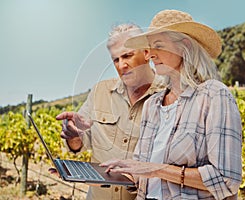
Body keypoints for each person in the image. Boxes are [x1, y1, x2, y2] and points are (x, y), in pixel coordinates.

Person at [101, 9, 242, 200]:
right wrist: (105, 174)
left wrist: (157, 169)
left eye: (158, 45)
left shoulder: (214, 95)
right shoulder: (153, 105)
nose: (150, 55)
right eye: (149, 47)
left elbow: (226, 179)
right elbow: (142, 170)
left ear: (184, 46)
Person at [55, 23, 165, 200]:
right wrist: (74, 136)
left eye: (127, 55)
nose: (122, 65)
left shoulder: (169, 95)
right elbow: (82, 142)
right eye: (116, 59)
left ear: (146, 53)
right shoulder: (100, 91)